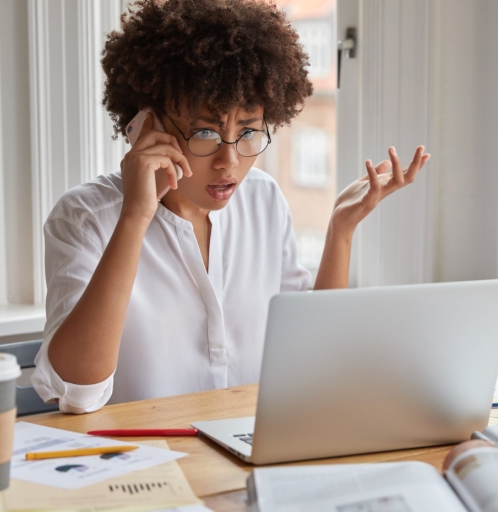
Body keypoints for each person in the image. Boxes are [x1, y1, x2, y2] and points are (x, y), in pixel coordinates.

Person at [32, 0, 430, 413]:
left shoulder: (263, 199)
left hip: (247, 456)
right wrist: (135, 215)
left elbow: (310, 359)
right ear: (146, 126)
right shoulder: (83, 219)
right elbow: (76, 391)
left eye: (248, 132)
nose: (229, 162)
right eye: (205, 132)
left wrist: (340, 231)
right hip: (144, 465)